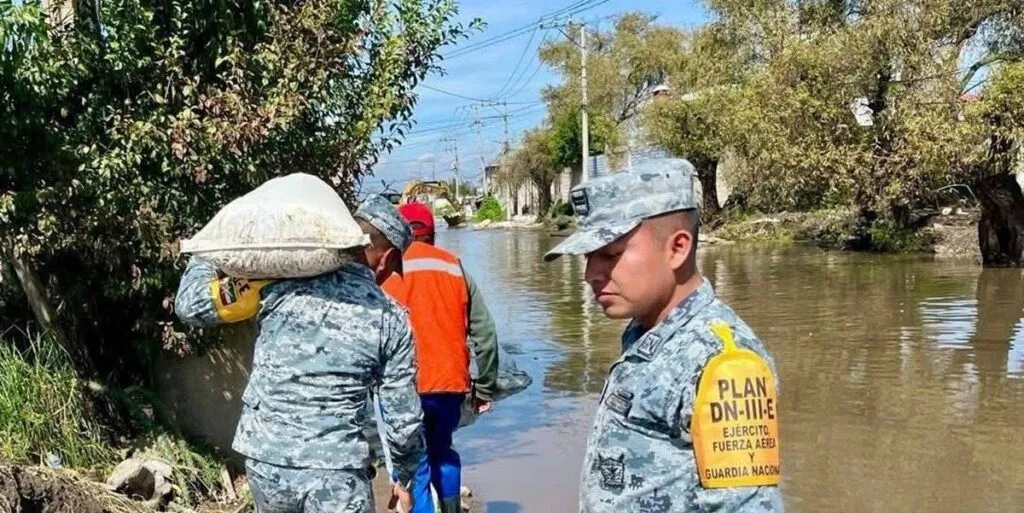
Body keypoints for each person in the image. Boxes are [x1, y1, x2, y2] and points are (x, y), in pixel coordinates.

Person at [543, 166, 784, 513]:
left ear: (677, 248)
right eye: (588, 257)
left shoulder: (724, 362)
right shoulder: (647, 332)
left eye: (610, 255)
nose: (590, 274)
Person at [174, 194, 422, 513]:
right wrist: (403, 479)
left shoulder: (276, 282)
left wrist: (210, 249)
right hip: (337, 470)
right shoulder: (390, 318)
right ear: (387, 258)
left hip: (267, 463)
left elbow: (190, 306)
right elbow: (403, 421)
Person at [380, 202, 500, 513]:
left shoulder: (383, 269)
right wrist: (485, 388)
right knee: (442, 452)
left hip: (403, 387)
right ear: (433, 234)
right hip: (449, 385)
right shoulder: (454, 266)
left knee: (414, 464)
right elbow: (485, 333)